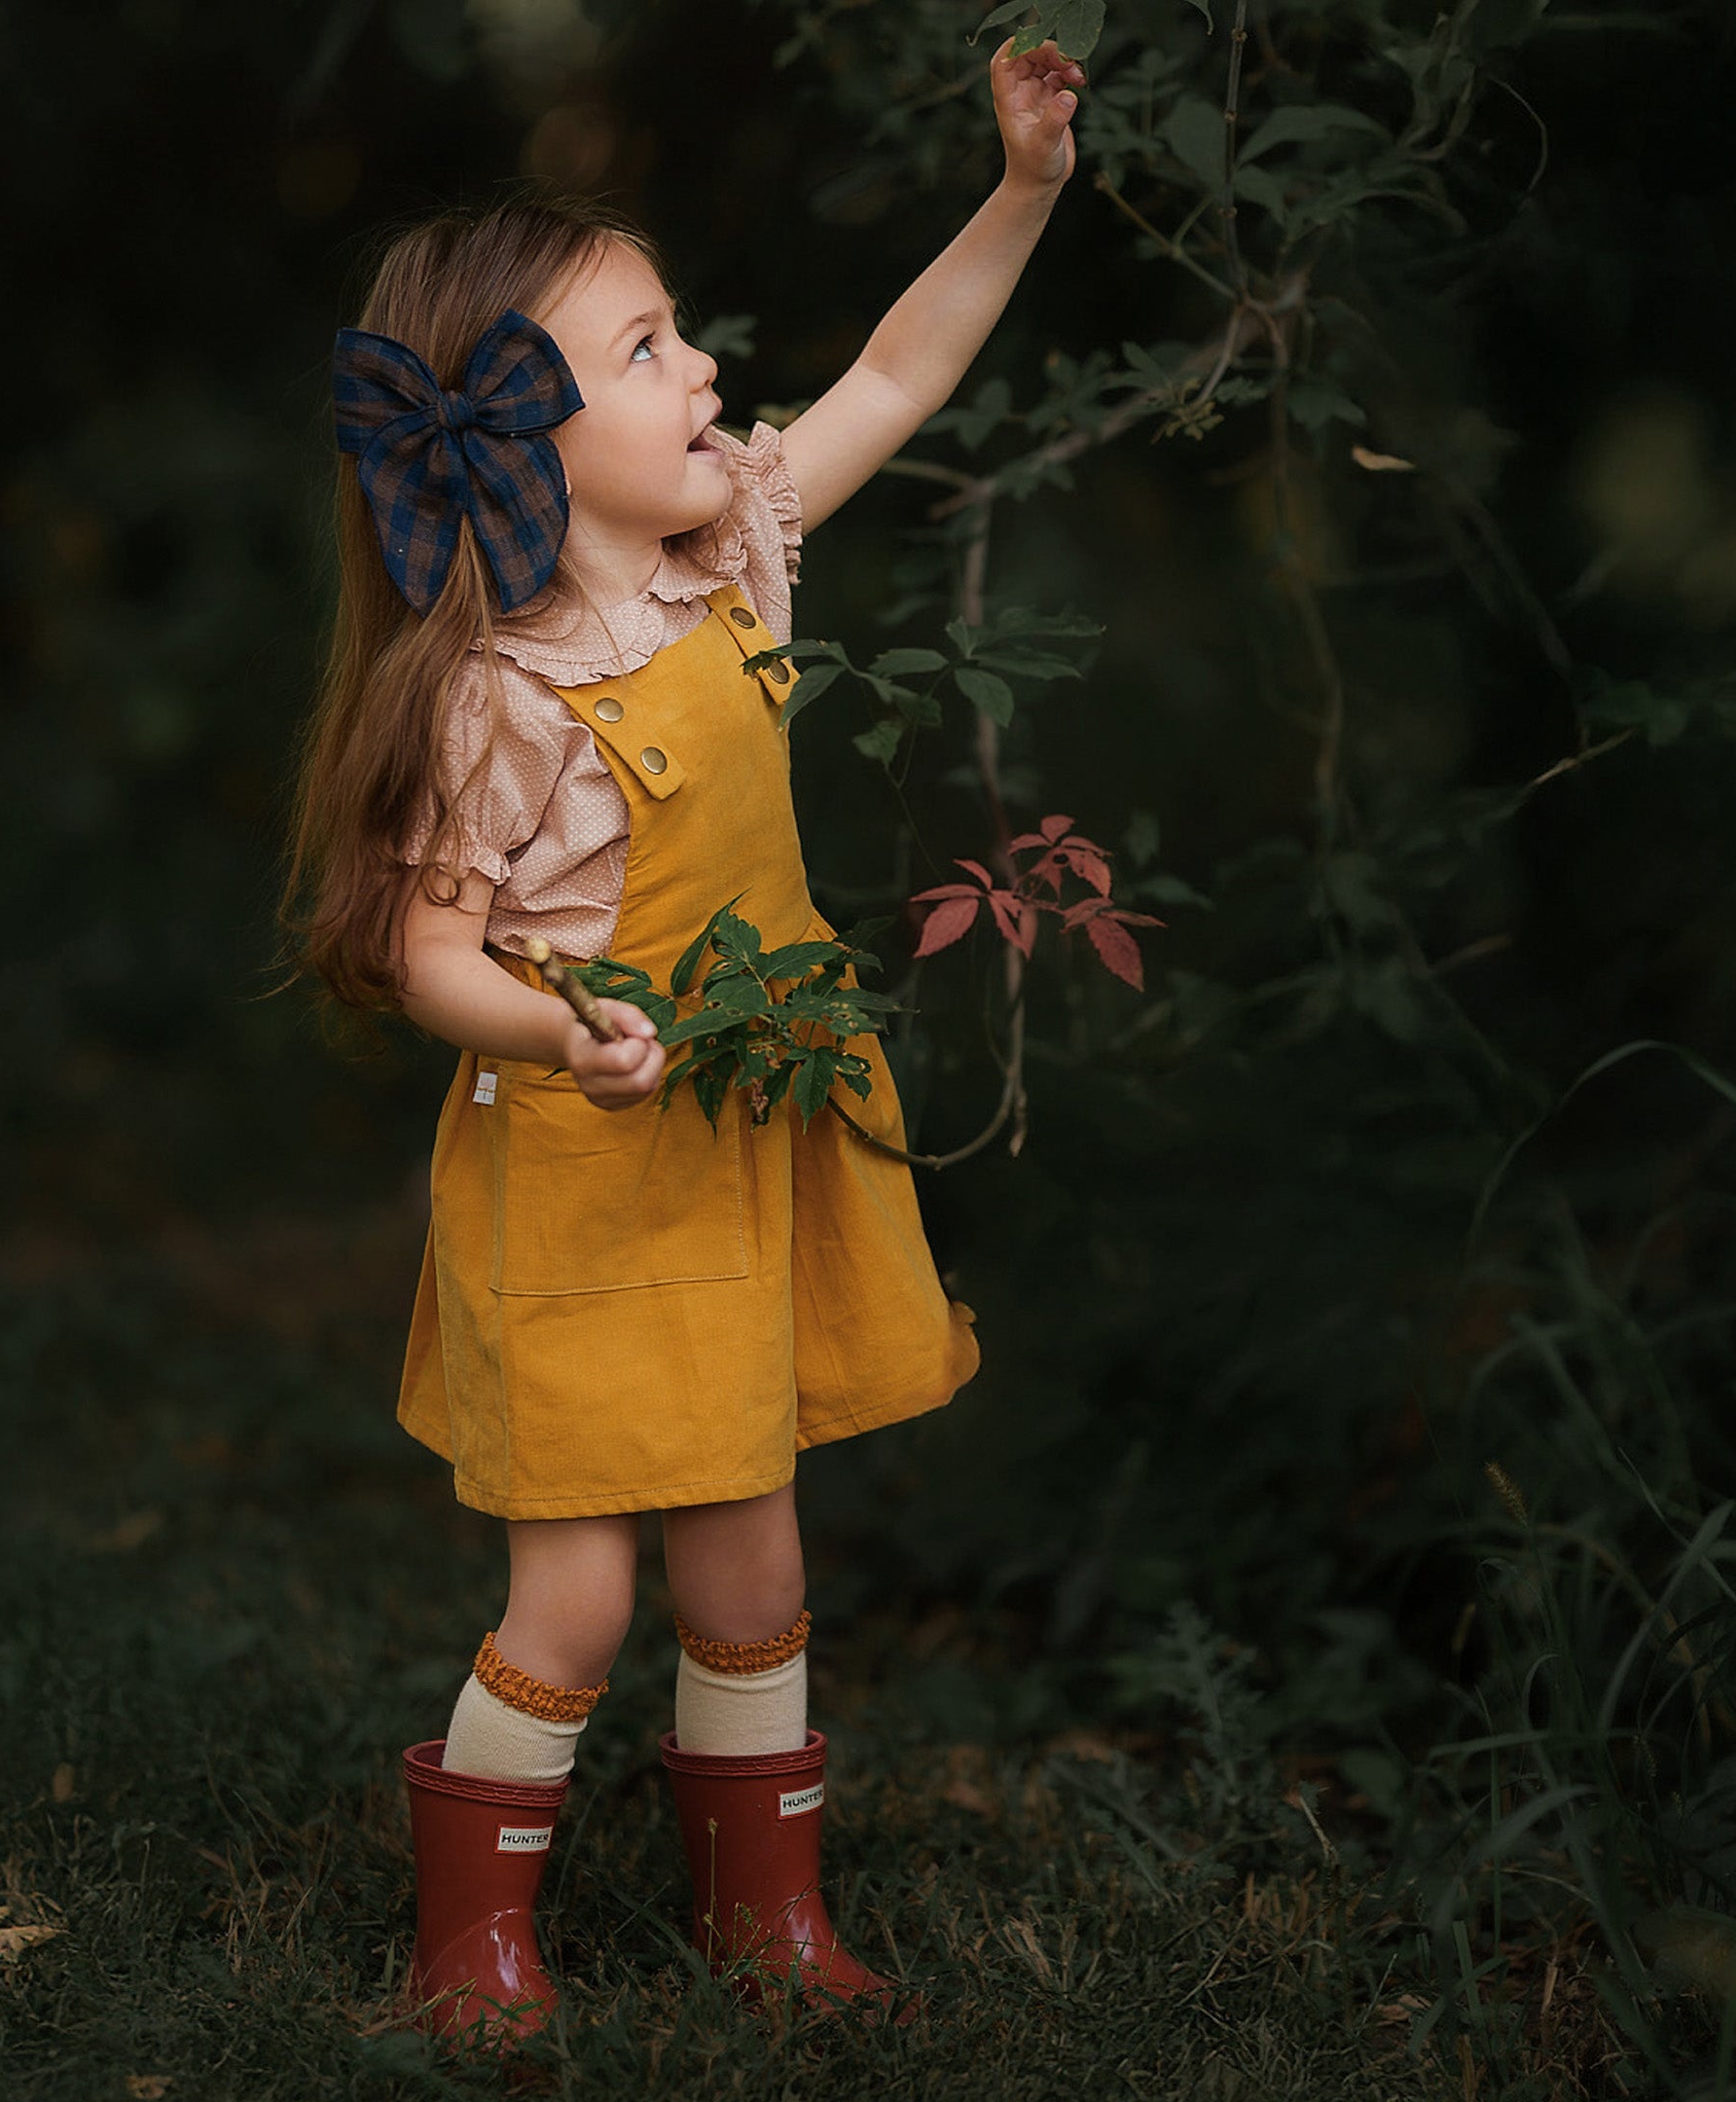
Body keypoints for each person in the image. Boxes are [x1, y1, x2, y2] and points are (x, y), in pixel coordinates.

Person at [285, 32, 1084, 2046]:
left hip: (750, 1135)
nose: (710, 371)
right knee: (581, 1596)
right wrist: (561, 1039)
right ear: (534, 441)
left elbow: (899, 375)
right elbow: (424, 950)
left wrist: (1022, 191)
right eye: (651, 351)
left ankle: (767, 1925)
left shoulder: (726, 559)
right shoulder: (493, 692)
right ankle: (471, 1949)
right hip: (578, 1175)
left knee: (750, 1562)